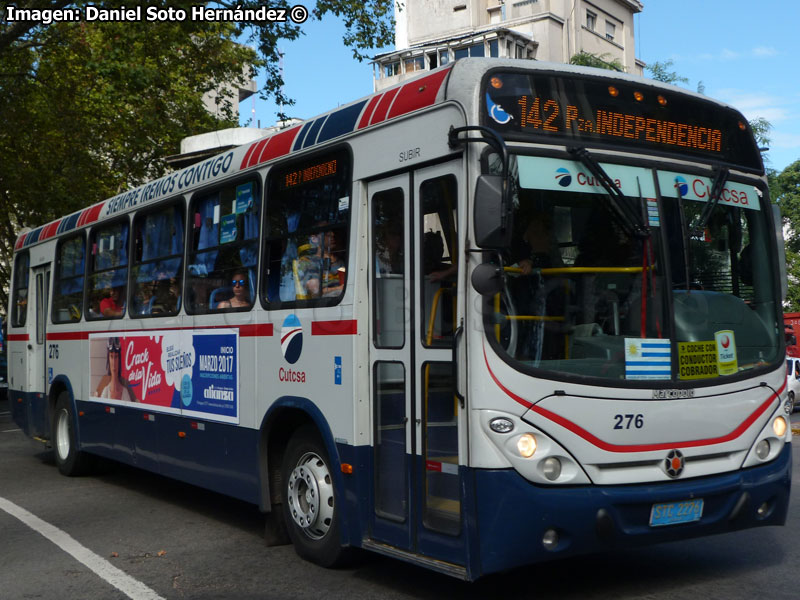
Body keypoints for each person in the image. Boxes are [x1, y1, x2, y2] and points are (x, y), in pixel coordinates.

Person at [96, 337, 135, 402]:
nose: (114, 362)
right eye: (111, 356)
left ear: (119, 359)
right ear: (108, 358)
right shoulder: (106, 391)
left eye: (116, 357)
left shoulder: (124, 392)